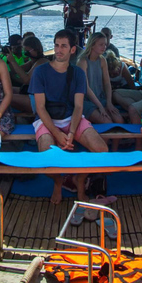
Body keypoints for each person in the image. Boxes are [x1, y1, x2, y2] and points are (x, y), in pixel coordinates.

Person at [28, 29, 108, 204]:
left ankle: (80, 179)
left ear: (72, 50)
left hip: (72, 118)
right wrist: (57, 135)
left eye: (64, 46)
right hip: (46, 119)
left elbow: (79, 106)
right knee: (47, 158)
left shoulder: (78, 73)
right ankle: (58, 182)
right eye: (56, 45)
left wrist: (71, 133)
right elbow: (40, 108)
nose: (58, 50)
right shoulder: (40, 72)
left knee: (102, 151)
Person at [76, 32, 125, 124]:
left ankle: (115, 138)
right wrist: (100, 107)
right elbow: (86, 87)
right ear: (92, 45)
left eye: (105, 44)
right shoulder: (82, 61)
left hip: (100, 97)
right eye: (101, 44)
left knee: (119, 120)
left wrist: (109, 103)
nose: (104, 47)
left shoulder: (102, 60)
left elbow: (107, 83)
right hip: (86, 101)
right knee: (107, 122)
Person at [10, 35, 50, 112]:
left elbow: (27, 80)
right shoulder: (33, 62)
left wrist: (13, 61)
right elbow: (16, 70)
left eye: (27, 51)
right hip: (32, 94)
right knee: (5, 90)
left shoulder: (42, 62)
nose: (26, 54)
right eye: (25, 52)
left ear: (35, 49)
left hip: (38, 100)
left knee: (5, 97)